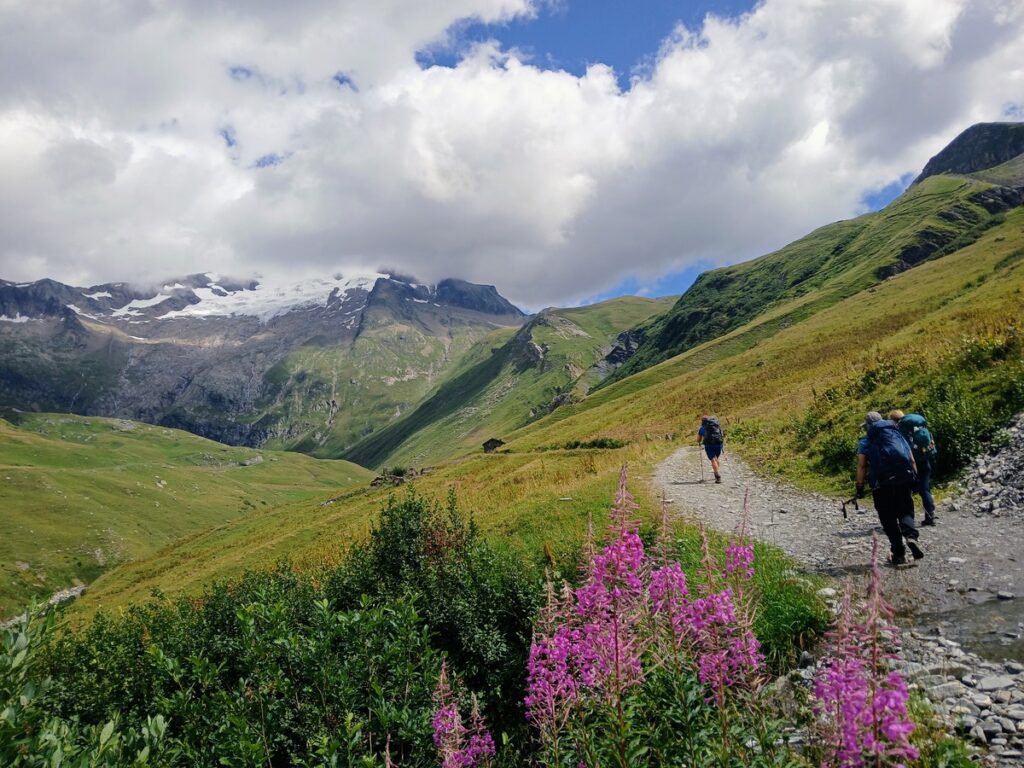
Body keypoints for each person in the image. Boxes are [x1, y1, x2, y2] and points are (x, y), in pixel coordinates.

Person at [855, 411, 924, 567]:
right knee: (905, 510)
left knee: (888, 518)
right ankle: (911, 536)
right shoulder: (898, 435)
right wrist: (915, 481)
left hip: (881, 484)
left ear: (868, 426)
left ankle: (898, 553)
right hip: (903, 479)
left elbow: (861, 465)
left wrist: (859, 486)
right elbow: (911, 459)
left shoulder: (866, 441)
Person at [889, 409, 938, 526]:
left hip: (912, 463)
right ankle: (930, 514)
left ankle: (907, 519)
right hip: (925, 459)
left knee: (906, 491)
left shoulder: (901, 429)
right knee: (925, 488)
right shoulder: (917, 425)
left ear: (894, 420)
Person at [698, 415, 725, 484]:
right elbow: (722, 434)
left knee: (713, 460)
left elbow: (698, 439)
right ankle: (717, 471)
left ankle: (717, 476)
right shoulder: (716, 426)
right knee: (716, 459)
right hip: (718, 444)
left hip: (709, 445)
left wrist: (699, 441)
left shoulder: (702, 428)